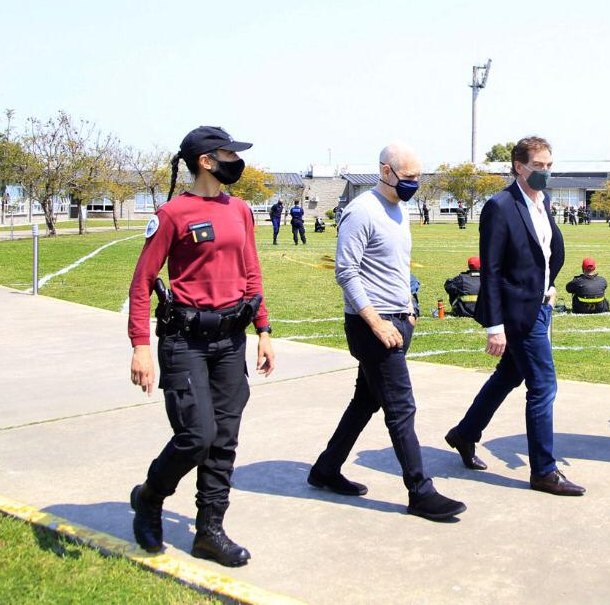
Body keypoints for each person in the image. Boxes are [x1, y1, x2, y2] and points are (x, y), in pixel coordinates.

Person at [126, 126, 275, 566]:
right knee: (196, 436)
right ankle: (150, 498)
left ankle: (209, 530)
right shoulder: (173, 213)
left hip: (230, 340)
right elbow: (141, 284)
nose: (236, 160)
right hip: (184, 342)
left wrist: (263, 330)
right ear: (206, 161)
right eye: (228, 153)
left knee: (224, 439)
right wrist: (140, 347)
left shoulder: (241, 211)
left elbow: (252, 273)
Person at [310, 143, 466, 521]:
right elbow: (345, 271)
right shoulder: (361, 211)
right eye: (408, 178)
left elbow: (397, 266)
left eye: (418, 178)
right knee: (401, 408)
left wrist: (409, 308)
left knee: (365, 401)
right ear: (385, 171)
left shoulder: (401, 210)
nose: (414, 184)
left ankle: (326, 469)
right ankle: (420, 491)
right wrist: (376, 322)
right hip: (372, 327)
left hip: (397, 321)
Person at [447, 137, 584, 496]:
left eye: (549, 165)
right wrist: (495, 327)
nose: (546, 172)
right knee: (543, 385)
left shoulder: (544, 202)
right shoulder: (500, 207)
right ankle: (543, 470)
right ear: (519, 166)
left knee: (508, 376)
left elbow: (544, 251)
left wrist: (549, 284)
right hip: (518, 314)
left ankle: (464, 434)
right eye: (539, 166)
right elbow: (491, 270)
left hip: (540, 305)